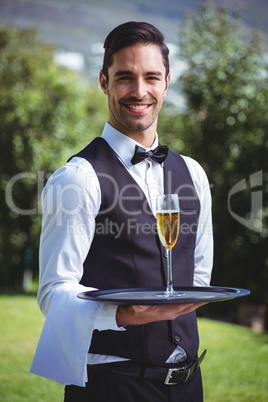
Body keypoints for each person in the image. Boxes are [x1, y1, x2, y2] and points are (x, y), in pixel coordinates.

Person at [30, 21, 213, 402]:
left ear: (166, 82)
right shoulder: (77, 178)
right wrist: (122, 315)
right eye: (125, 77)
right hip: (113, 387)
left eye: (151, 77)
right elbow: (53, 292)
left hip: (189, 385)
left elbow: (197, 275)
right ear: (104, 82)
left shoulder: (193, 174)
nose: (140, 91)